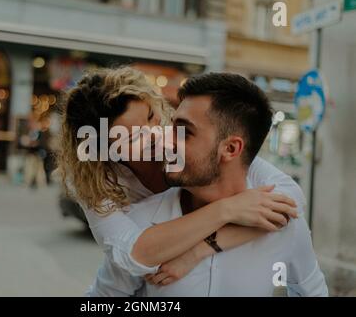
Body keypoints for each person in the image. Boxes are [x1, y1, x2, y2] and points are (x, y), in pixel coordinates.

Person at [87, 73, 328, 297]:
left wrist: (199, 250)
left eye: (184, 132)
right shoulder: (143, 223)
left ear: (231, 149)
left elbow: (312, 290)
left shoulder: (283, 222)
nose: (164, 139)